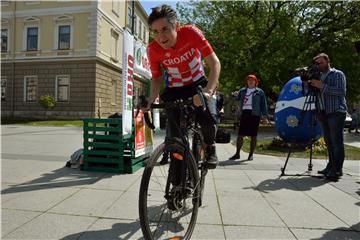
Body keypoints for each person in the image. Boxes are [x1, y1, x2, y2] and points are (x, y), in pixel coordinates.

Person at [143, 5, 221, 169]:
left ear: (177, 26)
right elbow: (156, 78)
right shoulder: (152, 49)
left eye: (165, 29)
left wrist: (207, 92)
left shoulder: (191, 33)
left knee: (206, 118)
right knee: (176, 136)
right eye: (155, 32)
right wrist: (150, 99)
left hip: (197, 82)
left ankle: (210, 147)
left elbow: (214, 64)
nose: (161, 37)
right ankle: (178, 175)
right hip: (175, 88)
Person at [309, 53, 347, 181]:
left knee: (337, 142)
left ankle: (337, 170)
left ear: (328, 61)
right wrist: (307, 83)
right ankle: (330, 166)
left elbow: (341, 92)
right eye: (317, 64)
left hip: (336, 111)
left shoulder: (337, 74)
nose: (319, 65)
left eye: (321, 63)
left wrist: (322, 86)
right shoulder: (318, 75)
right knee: (329, 142)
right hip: (323, 112)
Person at [229, 75, 268, 160]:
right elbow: (237, 98)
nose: (250, 82)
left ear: (255, 82)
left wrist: (264, 116)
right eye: (249, 80)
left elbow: (263, 105)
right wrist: (234, 95)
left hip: (255, 114)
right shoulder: (243, 91)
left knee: (253, 135)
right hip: (245, 113)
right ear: (246, 82)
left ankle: (251, 154)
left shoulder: (259, 92)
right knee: (240, 135)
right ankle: (237, 153)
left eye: (252, 80)